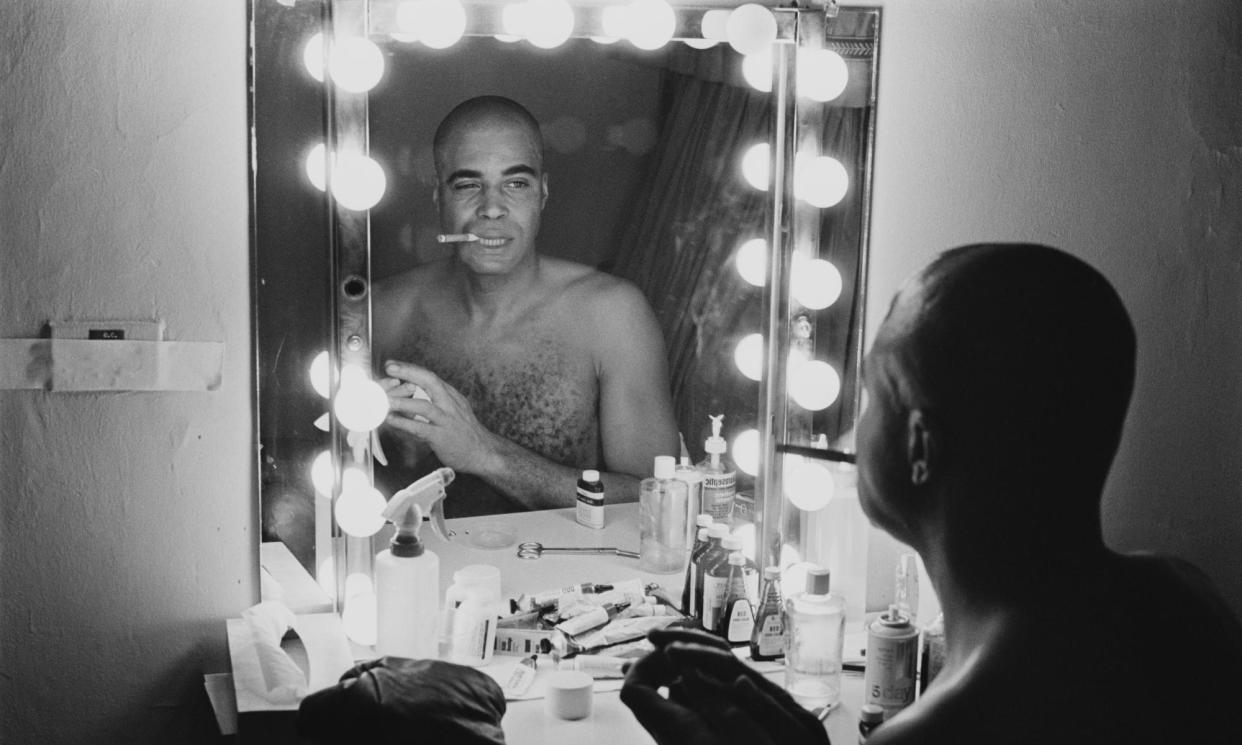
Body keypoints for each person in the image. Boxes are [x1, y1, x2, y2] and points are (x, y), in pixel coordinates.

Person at [621, 243, 1242, 744]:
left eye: (870, 396)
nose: (850, 430)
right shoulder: (1183, 601)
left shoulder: (949, 729)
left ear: (920, 446)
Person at [373, 95, 680, 516]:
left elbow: (659, 500)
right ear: (438, 199)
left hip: (573, 579)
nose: (492, 209)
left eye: (516, 184)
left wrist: (482, 452)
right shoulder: (385, 311)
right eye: (467, 185)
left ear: (543, 195)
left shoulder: (612, 316)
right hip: (417, 574)